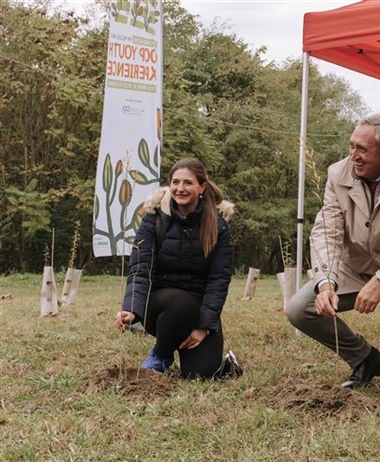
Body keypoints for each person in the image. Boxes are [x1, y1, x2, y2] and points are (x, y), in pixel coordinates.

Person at [116, 158, 234, 379]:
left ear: (202, 187)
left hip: (197, 310)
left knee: (201, 374)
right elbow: (141, 268)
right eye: (175, 182)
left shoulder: (219, 226)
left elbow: (219, 280)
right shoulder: (154, 218)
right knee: (180, 303)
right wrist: (131, 308)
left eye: (188, 183)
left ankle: (188, 345)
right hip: (160, 307)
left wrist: (203, 327)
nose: (180, 188)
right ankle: (161, 355)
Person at [287, 113, 380, 389]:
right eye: (351, 146)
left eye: (362, 149)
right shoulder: (337, 174)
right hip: (355, 265)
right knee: (300, 308)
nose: (353, 155)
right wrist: (326, 282)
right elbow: (327, 230)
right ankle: (364, 358)